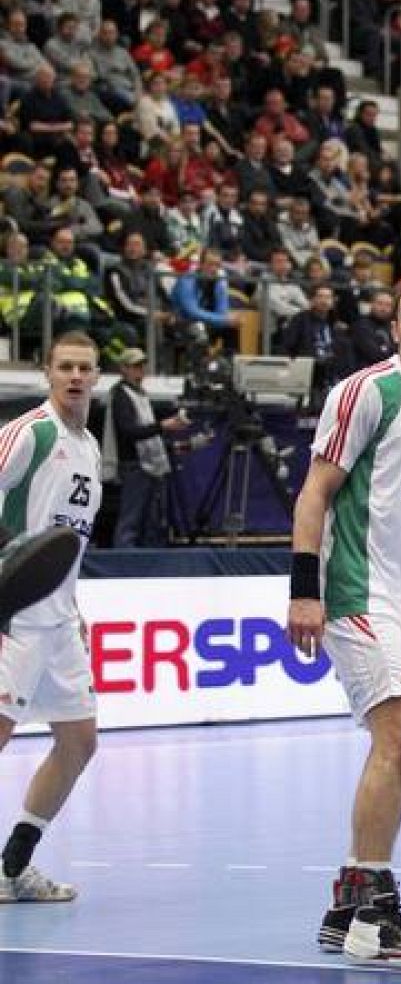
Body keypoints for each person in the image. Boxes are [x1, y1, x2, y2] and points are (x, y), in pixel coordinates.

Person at [286, 281, 401, 965]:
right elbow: (314, 492)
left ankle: (348, 901)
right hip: (353, 591)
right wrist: (305, 592)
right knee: (399, 735)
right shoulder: (366, 391)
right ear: (395, 329)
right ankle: (372, 914)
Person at [0, 331, 104, 903]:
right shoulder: (31, 433)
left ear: (96, 376)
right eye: (65, 367)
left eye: (84, 368)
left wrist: (72, 602)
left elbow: (64, 542)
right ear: (47, 372)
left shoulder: (88, 445)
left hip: (60, 619)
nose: (75, 377)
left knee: (79, 742)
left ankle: (12, 867)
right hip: (12, 615)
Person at [107, 347, 188, 548]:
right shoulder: (121, 395)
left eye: (142, 366)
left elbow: (144, 431)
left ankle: (145, 558)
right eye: (135, 366)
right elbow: (129, 431)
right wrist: (163, 426)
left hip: (149, 465)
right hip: (135, 465)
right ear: (124, 369)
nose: (140, 370)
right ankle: (123, 559)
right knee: (132, 519)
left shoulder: (140, 394)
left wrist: (168, 442)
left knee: (150, 520)